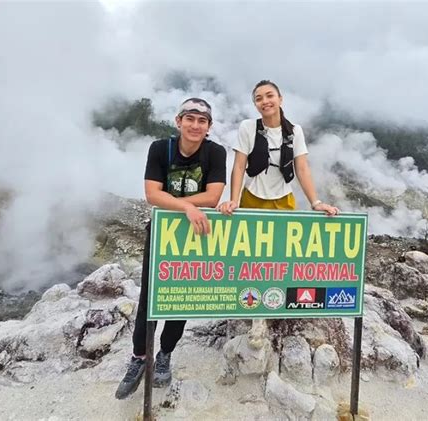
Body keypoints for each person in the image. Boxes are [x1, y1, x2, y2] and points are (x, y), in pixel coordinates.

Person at [115, 98, 226, 399]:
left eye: (201, 121)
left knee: (181, 296)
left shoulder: (215, 153)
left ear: (209, 127)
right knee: (150, 296)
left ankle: (164, 354)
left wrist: (177, 204)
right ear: (178, 121)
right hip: (163, 232)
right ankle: (139, 357)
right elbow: (152, 194)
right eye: (189, 118)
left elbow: (215, 196)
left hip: (194, 236)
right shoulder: (160, 149)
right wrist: (189, 207)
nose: (195, 125)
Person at [217, 79, 338, 215]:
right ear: (255, 105)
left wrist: (316, 203)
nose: (265, 101)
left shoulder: (294, 131)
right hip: (251, 198)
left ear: (280, 99)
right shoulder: (248, 127)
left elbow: (302, 169)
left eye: (270, 96)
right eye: (259, 99)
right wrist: (234, 201)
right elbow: (239, 166)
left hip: (284, 201)